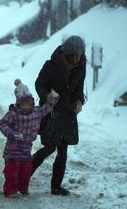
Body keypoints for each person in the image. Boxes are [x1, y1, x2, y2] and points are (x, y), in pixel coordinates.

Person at [32, 35, 86, 196]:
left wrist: (79, 102)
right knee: (49, 147)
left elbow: (79, 90)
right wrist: (48, 95)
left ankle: (56, 187)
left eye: (79, 55)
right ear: (65, 53)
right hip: (52, 113)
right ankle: (24, 174)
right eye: (73, 55)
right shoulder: (51, 65)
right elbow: (39, 84)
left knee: (63, 151)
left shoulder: (81, 67)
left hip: (68, 113)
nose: (76, 59)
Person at [0, 79, 59, 197]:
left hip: (26, 149)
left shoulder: (36, 112)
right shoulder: (14, 114)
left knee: (26, 169)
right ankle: (10, 190)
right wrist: (12, 134)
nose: (27, 106)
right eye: (24, 103)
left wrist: (53, 98)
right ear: (18, 103)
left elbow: (47, 108)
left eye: (29, 102)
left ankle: (23, 187)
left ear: (32, 102)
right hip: (13, 148)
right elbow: (3, 124)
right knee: (12, 170)